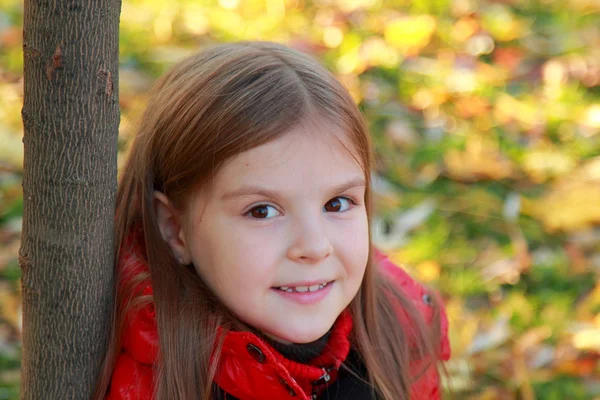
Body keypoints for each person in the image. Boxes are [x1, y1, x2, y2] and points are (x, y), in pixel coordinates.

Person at [93, 41, 451, 400]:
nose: (313, 247)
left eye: (338, 203)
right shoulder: (146, 384)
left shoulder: (402, 330)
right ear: (174, 228)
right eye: (262, 211)